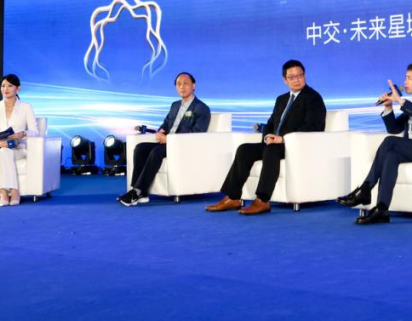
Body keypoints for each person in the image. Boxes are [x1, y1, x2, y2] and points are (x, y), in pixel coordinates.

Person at [206, 60, 326, 215]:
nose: (296, 79)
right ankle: (232, 197)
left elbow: (313, 127)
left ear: (305, 76)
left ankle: (262, 200)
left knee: (271, 150)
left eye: (299, 75)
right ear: (285, 80)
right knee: (244, 149)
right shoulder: (281, 99)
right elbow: (270, 123)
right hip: (277, 143)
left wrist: (283, 139)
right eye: (292, 77)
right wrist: (267, 136)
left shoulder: (313, 98)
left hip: (297, 145)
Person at [337, 62, 412, 225]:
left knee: (390, 142)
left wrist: (401, 101)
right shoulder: (411, 103)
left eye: (409, 78)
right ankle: (382, 209)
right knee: (391, 155)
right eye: (405, 78)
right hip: (411, 148)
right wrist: (389, 107)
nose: (405, 82)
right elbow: (394, 129)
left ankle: (365, 189)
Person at [118, 72, 211, 206]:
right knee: (140, 148)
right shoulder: (175, 105)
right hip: (167, 143)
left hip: (183, 145)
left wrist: (170, 140)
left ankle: (137, 191)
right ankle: (142, 193)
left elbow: (197, 134)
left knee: (156, 152)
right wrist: (161, 131)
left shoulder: (201, 108)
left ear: (193, 86)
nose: (182, 87)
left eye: (186, 83)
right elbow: (166, 124)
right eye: (178, 84)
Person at [0, 74, 39, 207]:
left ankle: (14, 191)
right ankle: (3, 192)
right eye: (3, 86)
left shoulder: (26, 107)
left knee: (5, 151)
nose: (5, 89)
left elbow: (35, 131)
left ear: (18, 88)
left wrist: (22, 133)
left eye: (9, 86)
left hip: (17, 147)